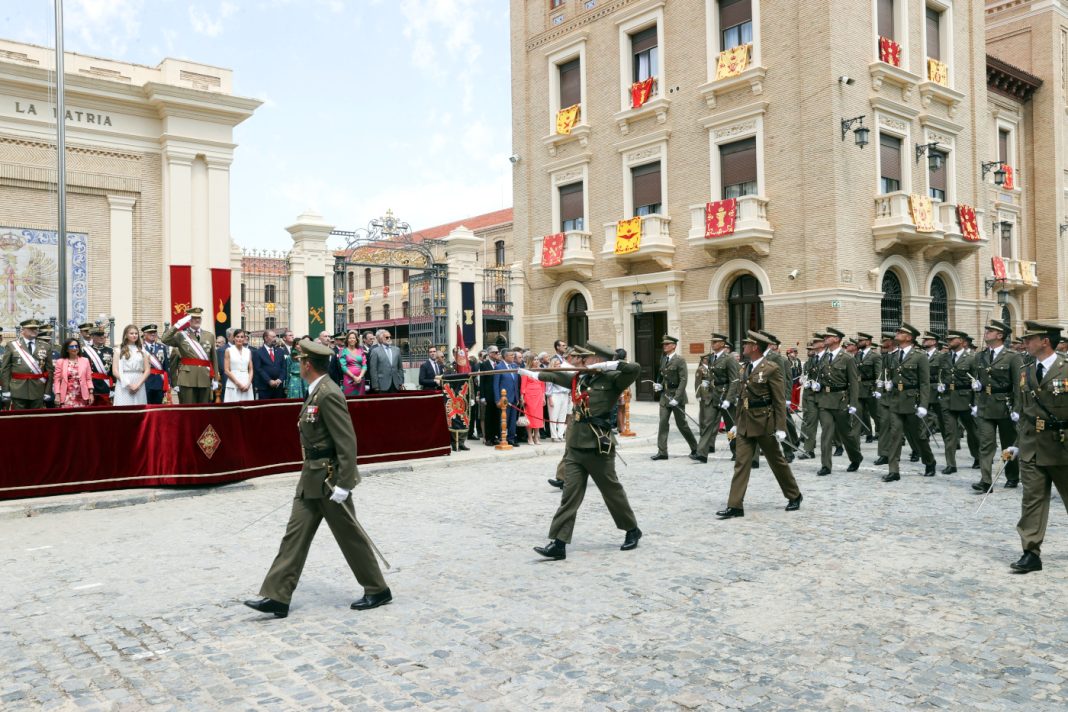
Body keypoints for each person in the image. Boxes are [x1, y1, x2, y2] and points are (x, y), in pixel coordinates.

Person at [245, 338, 392, 618]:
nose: (299, 364)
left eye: (300, 361)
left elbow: (346, 442)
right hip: (311, 477)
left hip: (329, 480)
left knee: (350, 537)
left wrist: (345, 484)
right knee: (294, 536)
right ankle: (277, 595)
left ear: (307, 364)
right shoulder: (316, 391)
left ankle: (377, 589)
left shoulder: (328, 393)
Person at [525, 342, 642, 559]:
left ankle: (632, 529)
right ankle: (558, 544)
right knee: (569, 496)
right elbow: (555, 376)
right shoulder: (580, 377)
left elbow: (634, 369)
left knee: (611, 491)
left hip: (598, 445)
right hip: (576, 446)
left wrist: (613, 365)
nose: (582, 360)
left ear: (598, 360)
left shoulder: (614, 379)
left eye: (586, 358)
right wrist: (532, 373)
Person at [715, 331, 803, 519]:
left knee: (777, 462)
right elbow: (741, 398)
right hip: (746, 423)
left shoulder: (771, 368)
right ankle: (735, 505)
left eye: (747, 343)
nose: (744, 346)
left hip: (764, 423)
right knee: (741, 463)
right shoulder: (743, 369)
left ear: (755, 347)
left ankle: (794, 495)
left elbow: (778, 400)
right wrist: (736, 423)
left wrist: (781, 427)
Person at [1006, 321, 1068, 574]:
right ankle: (1030, 552)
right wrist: (1018, 444)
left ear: (1045, 341)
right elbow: (1025, 412)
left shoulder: (1065, 368)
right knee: (1032, 501)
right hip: (1032, 444)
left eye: (1030, 339)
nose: (1025, 343)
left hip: (1063, 445)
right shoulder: (1026, 369)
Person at [881, 322, 936, 482]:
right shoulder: (892, 356)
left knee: (919, 436)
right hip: (896, 400)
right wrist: (889, 384)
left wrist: (924, 405)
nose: (896, 333)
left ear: (909, 337)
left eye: (900, 332)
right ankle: (893, 470)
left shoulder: (919, 356)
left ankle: (929, 461)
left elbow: (924, 383)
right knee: (894, 435)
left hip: (913, 401)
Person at [974, 319, 1023, 492]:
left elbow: (1018, 385)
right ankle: (986, 480)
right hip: (985, 405)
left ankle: (1012, 475)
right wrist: (977, 390)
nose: (986, 332)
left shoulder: (1012, 357)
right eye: (987, 330)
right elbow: (976, 378)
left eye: (990, 330)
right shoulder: (981, 355)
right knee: (986, 444)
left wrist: (1017, 409)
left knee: (1007, 445)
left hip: (1005, 406)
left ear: (1000, 335)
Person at [811, 327, 864, 476]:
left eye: (828, 336)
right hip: (825, 400)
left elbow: (854, 383)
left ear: (836, 339)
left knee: (846, 434)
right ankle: (826, 465)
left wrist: (853, 404)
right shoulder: (824, 357)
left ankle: (856, 457)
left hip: (841, 400)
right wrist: (818, 385)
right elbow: (821, 377)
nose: (825, 338)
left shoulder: (847, 358)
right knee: (826, 434)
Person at [651, 335, 698, 460]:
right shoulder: (664, 359)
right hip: (665, 396)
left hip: (677, 396)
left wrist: (677, 398)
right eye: (664, 344)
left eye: (667, 344)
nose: (664, 346)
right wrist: (660, 386)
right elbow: (664, 377)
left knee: (681, 424)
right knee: (663, 423)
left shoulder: (679, 360)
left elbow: (683, 380)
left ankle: (695, 448)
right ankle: (662, 452)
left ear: (674, 346)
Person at [696, 333, 741, 463]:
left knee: (730, 426)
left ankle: (737, 452)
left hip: (725, 395)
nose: (713, 344)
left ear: (722, 344)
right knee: (707, 424)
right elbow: (711, 374)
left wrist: (729, 398)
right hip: (713, 395)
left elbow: (734, 380)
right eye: (712, 341)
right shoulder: (711, 358)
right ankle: (702, 453)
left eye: (715, 342)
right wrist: (706, 382)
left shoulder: (729, 359)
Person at [940, 330, 979, 475]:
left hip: (966, 398)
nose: (949, 341)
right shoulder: (944, 358)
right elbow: (941, 375)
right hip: (948, 398)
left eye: (952, 339)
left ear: (962, 341)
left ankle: (978, 457)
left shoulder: (971, 358)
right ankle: (951, 463)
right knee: (950, 433)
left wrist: (976, 403)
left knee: (973, 431)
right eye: (948, 339)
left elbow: (976, 380)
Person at [162, 307, 218, 404]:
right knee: (188, 409)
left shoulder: (209, 336)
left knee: (203, 410)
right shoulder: (181, 335)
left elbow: (214, 359)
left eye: (199, 318)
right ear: (188, 320)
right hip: (187, 378)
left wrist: (216, 379)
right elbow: (164, 339)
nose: (197, 320)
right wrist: (178, 324)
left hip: (204, 377)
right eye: (194, 318)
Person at [0, 318, 54, 410]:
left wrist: (47, 391)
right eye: (31, 328)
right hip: (17, 389)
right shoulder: (12, 345)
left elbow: (49, 371)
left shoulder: (45, 346)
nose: (34, 330)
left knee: (36, 420)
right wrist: (5, 390)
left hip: (38, 389)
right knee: (19, 420)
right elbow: (5, 370)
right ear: (22, 330)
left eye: (36, 328)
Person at [112, 324, 150, 406]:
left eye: (136, 333)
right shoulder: (118, 350)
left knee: (139, 408)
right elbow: (115, 371)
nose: (134, 335)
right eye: (131, 333)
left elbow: (147, 370)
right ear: (126, 335)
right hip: (124, 381)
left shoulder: (142, 350)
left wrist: (138, 385)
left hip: (139, 381)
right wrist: (128, 385)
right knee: (124, 408)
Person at [854, 332, 881, 443]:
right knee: (861, 413)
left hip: (870, 388)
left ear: (868, 342)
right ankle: (868, 433)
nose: (859, 342)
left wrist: (877, 389)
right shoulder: (857, 355)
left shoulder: (875, 356)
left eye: (861, 340)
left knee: (875, 413)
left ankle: (880, 432)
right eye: (859, 340)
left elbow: (878, 374)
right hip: (859, 389)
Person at [53, 337, 93, 408]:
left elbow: (88, 379)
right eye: (72, 346)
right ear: (67, 349)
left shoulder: (85, 360)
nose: (75, 348)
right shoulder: (60, 362)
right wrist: (57, 395)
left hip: (82, 397)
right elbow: (57, 380)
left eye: (76, 346)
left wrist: (91, 393)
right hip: (66, 397)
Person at [493, 348, 521, 446]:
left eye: (514, 355)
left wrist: (518, 397)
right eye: (511, 355)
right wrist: (497, 399)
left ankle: (511, 438)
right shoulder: (499, 367)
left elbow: (516, 383)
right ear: (505, 356)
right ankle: (503, 437)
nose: (513, 357)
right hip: (504, 398)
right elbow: (496, 385)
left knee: (513, 420)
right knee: (504, 419)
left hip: (514, 398)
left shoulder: (514, 366)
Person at [83, 326, 114, 406]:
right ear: (92, 336)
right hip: (92, 385)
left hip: (106, 385)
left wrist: (113, 386)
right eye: (99, 335)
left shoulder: (110, 350)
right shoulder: (85, 351)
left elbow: (113, 370)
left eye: (103, 335)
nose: (102, 337)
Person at [252, 330, 287, 400]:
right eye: (273, 337)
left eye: (276, 337)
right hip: (264, 387)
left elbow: (284, 367)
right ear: (266, 338)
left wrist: (280, 379)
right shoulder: (258, 352)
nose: (275, 339)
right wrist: (269, 381)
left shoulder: (280, 351)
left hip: (278, 387)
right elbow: (258, 369)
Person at [520, 353, 546, 445]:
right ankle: (530, 437)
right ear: (530, 361)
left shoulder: (540, 371)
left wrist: (543, 397)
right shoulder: (526, 371)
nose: (536, 361)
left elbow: (543, 385)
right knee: (530, 416)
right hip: (529, 395)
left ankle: (536, 437)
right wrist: (522, 397)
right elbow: (523, 385)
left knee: (538, 417)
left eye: (537, 359)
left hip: (539, 394)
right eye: (534, 359)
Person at [223, 328, 255, 403]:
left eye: (242, 337)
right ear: (233, 338)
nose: (239, 339)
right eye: (237, 336)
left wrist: (249, 383)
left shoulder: (248, 351)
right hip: (233, 382)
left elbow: (251, 369)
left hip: (246, 382)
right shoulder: (228, 350)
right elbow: (226, 370)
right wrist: (238, 383)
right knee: (233, 408)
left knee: (247, 408)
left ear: (244, 338)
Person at [142, 325, 170, 404]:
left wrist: (168, 382)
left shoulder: (162, 347)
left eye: (154, 332)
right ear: (144, 334)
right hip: (145, 381)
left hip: (159, 382)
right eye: (150, 332)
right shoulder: (140, 348)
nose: (153, 334)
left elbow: (166, 366)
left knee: (158, 407)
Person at [335, 331, 366, 397]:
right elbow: (343, 366)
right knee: (350, 399)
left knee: (361, 400)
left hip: (360, 379)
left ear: (356, 340)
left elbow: (364, 365)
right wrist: (354, 377)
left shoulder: (361, 350)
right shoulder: (343, 351)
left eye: (354, 338)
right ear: (347, 340)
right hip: (349, 379)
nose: (352, 339)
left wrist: (360, 377)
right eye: (350, 338)